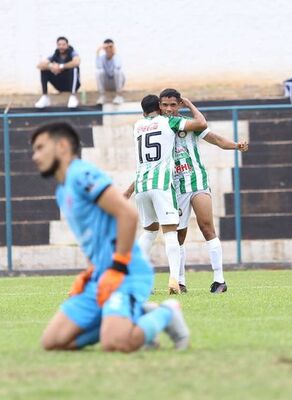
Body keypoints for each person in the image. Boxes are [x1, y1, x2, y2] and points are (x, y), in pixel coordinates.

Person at [31, 121, 190, 352]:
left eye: (40, 148)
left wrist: (118, 266)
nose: (35, 156)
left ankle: (166, 313)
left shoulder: (82, 174)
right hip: (101, 277)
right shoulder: (62, 190)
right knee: (53, 342)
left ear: (63, 146)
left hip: (126, 274)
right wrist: (90, 273)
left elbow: (127, 214)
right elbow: (93, 239)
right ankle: (133, 318)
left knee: (116, 343)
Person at [159, 88, 248, 294]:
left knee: (207, 227)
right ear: (160, 106)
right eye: (165, 105)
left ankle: (219, 280)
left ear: (179, 105)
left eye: (173, 105)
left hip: (197, 181)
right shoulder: (159, 126)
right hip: (175, 186)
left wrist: (236, 145)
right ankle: (180, 282)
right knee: (179, 236)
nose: (169, 109)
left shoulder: (189, 124)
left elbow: (216, 139)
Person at [124, 95, 207, 294]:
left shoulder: (137, 126)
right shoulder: (169, 121)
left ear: (144, 112)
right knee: (171, 232)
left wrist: (127, 192)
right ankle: (174, 280)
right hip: (161, 185)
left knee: (150, 232)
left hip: (142, 187)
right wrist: (187, 104)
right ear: (160, 109)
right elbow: (201, 124)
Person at [35, 37, 81, 109]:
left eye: (63, 44)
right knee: (44, 70)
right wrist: (51, 66)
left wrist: (61, 66)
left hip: (72, 84)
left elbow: (77, 62)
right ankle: (45, 97)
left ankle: (73, 97)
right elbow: (39, 65)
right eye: (59, 45)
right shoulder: (54, 55)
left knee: (74, 68)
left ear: (67, 45)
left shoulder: (72, 53)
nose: (61, 47)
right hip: (59, 84)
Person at [95, 39, 125, 105]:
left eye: (110, 47)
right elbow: (98, 67)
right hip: (107, 84)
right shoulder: (102, 58)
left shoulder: (117, 57)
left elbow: (118, 66)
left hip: (116, 84)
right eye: (106, 47)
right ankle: (102, 96)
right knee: (98, 72)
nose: (108, 49)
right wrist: (98, 52)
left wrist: (114, 53)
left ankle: (119, 96)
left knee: (118, 71)